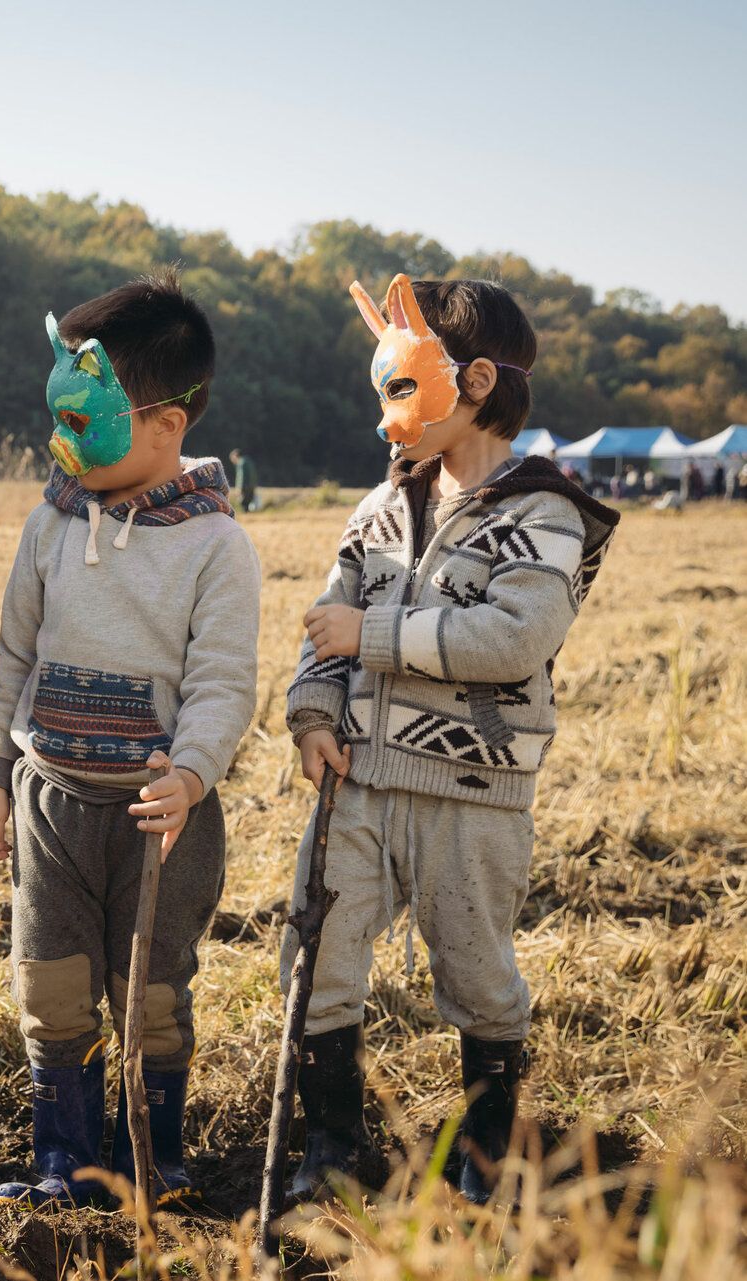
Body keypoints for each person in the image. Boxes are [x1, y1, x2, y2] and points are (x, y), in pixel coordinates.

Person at [285, 276, 618, 1206]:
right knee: (316, 958)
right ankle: (331, 1148)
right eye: (381, 391)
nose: (386, 417)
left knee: (475, 971)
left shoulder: (541, 514)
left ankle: (488, 1152)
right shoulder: (377, 509)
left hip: (471, 792)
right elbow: (324, 620)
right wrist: (312, 714)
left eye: (401, 389)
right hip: (355, 784)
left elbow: (514, 639)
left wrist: (375, 639)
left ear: (471, 383)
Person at [0, 272, 260, 1208]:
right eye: (57, 414)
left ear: (165, 424)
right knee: (50, 986)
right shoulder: (51, 521)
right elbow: (13, 654)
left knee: (151, 993)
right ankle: (62, 1159)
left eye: (85, 419)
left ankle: (153, 1158)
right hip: (49, 803)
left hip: (157, 819)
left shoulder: (216, 546)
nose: (62, 440)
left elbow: (222, 682)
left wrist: (191, 773)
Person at [229, 446, 259, 512]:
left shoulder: (241, 463)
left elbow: (241, 476)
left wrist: (239, 488)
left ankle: (246, 518)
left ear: (236, 455)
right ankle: (249, 517)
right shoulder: (248, 461)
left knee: (243, 503)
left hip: (245, 486)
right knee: (248, 503)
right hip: (252, 485)